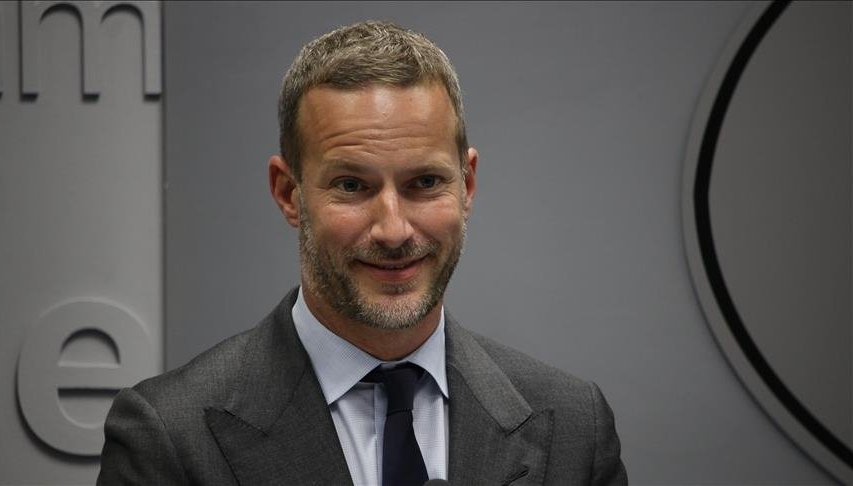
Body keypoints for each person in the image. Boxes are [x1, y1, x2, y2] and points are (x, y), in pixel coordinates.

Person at [98, 20, 627, 485]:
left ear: (466, 185)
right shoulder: (169, 437)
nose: (393, 231)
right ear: (289, 194)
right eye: (351, 186)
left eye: (425, 182)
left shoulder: (575, 428)